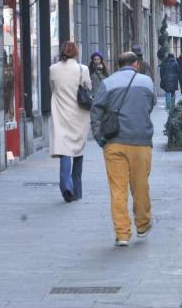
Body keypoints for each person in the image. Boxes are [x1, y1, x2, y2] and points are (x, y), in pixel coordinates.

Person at [90, 52, 156, 247]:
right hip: (140, 141)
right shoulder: (146, 82)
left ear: (118, 65)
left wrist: (99, 138)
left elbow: (96, 110)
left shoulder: (108, 83)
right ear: (136, 64)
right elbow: (149, 106)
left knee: (117, 190)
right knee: (140, 185)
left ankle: (122, 234)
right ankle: (142, 225)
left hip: (114, 142)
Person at [49, 41, 92, 203]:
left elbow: (52, 88)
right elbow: (88, 86)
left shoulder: (53, 69)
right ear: (76, 53)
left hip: (61, 113)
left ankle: (66, 186)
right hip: (79, 115)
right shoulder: (83, 69)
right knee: (78, 152)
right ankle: (77, 189)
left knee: (65, 151)